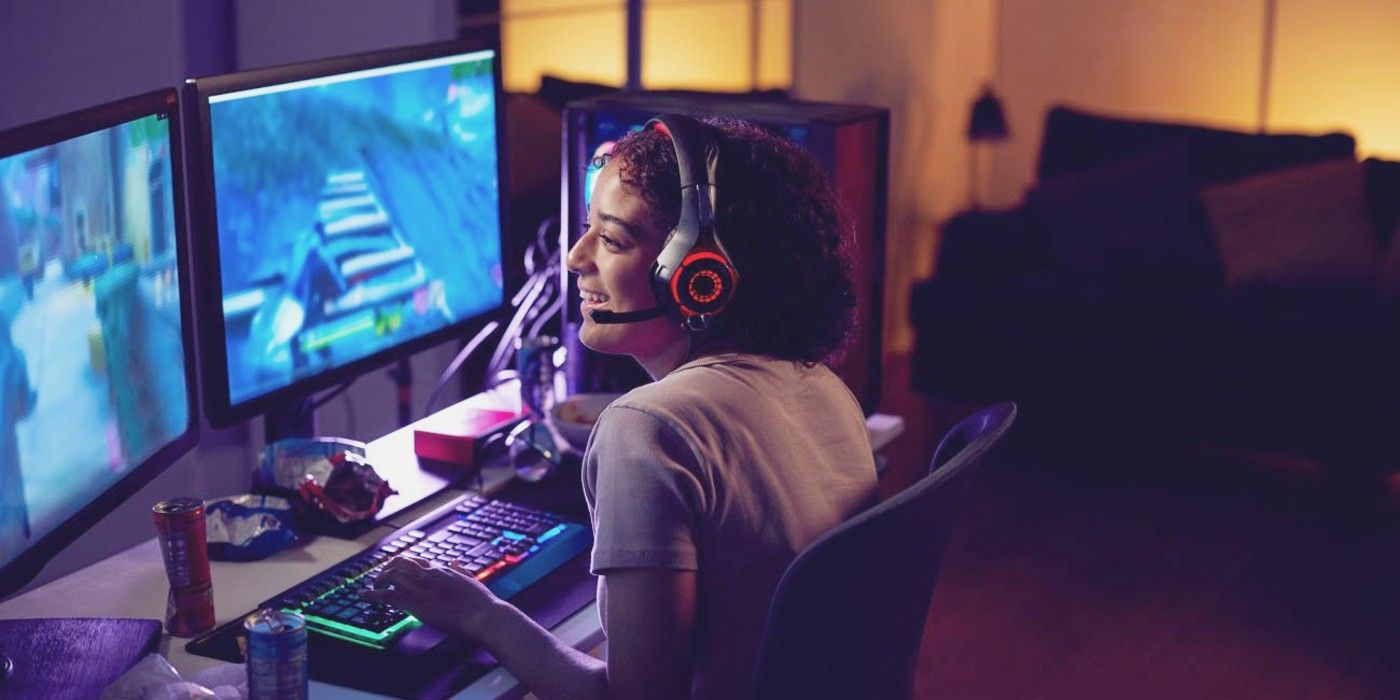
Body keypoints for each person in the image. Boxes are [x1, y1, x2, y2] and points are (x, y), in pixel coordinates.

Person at [363, 116, 878, 699]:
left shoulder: (649, 429)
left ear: (697, 276)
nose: (577, 257)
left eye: (611, 239)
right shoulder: (825, 389)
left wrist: (479, 613)